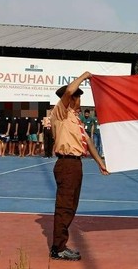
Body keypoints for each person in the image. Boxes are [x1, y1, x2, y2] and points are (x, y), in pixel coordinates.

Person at [49, 72, 109, 261]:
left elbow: (89, 141)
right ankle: (58, 248)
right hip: (67, 163)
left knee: (71, 206)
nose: (80, 100)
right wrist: (85, 76)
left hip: (75, 165)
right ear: (72, 99)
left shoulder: (76, 119)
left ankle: (60, 245)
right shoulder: (61, 113)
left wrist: (100, 163)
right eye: (79, 97)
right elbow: (69, 90)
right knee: (65, 206)